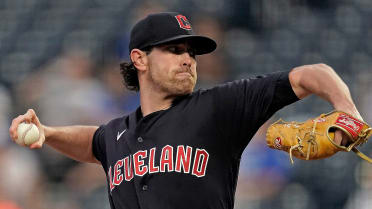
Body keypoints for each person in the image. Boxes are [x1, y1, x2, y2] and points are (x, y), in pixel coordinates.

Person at [9, 12, 362, 209]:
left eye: (191, 53)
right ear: (139, 59)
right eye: (174, 50)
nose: (188, 60)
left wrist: (346, 110)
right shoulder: (119, 133)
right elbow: (94, 142)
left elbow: (311, 75)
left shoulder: (220, 107)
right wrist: (49, 133)